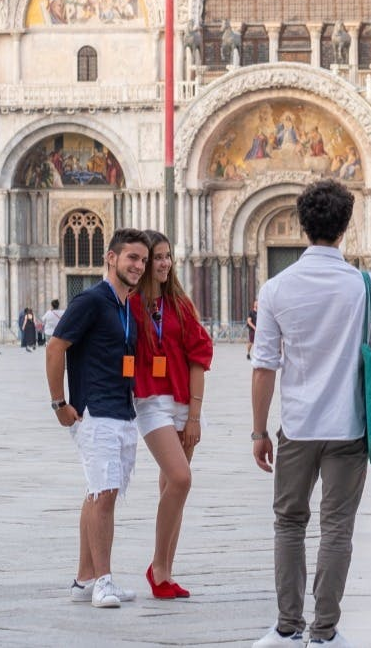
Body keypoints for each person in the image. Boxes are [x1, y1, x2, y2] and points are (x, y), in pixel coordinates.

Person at [250, 179, 371, 648]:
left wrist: (258, 431)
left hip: (298, 427)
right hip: (350, 427)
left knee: (289, 524)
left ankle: (288, 627)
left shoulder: (276, 287)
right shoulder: (366, 286)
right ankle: (325, 632)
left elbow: (264, 366)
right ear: (345, 227)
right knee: (337, 528)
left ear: (302, 226)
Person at [45, 228, 152, 609]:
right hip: (95, 410)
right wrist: (59, 403)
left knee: (99, 492)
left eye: (143, 260)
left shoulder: (125, 306)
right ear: (111, 258)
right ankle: (104, 581)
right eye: (132, 258)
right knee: (104, 494)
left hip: (122, 410)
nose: (138, 266)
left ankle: (85, 579)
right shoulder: (90, 300)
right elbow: (55, 347)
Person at [131, 230, 213, 599]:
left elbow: (199, 358)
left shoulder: (180, 304)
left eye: (167, 256)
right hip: (150, 402)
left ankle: (165, 570)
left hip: (183, 402)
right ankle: (158, 568)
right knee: (181, 479)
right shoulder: (130, 305)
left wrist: (194, 415)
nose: (164, 263)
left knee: (171, 489)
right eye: (157, 257)